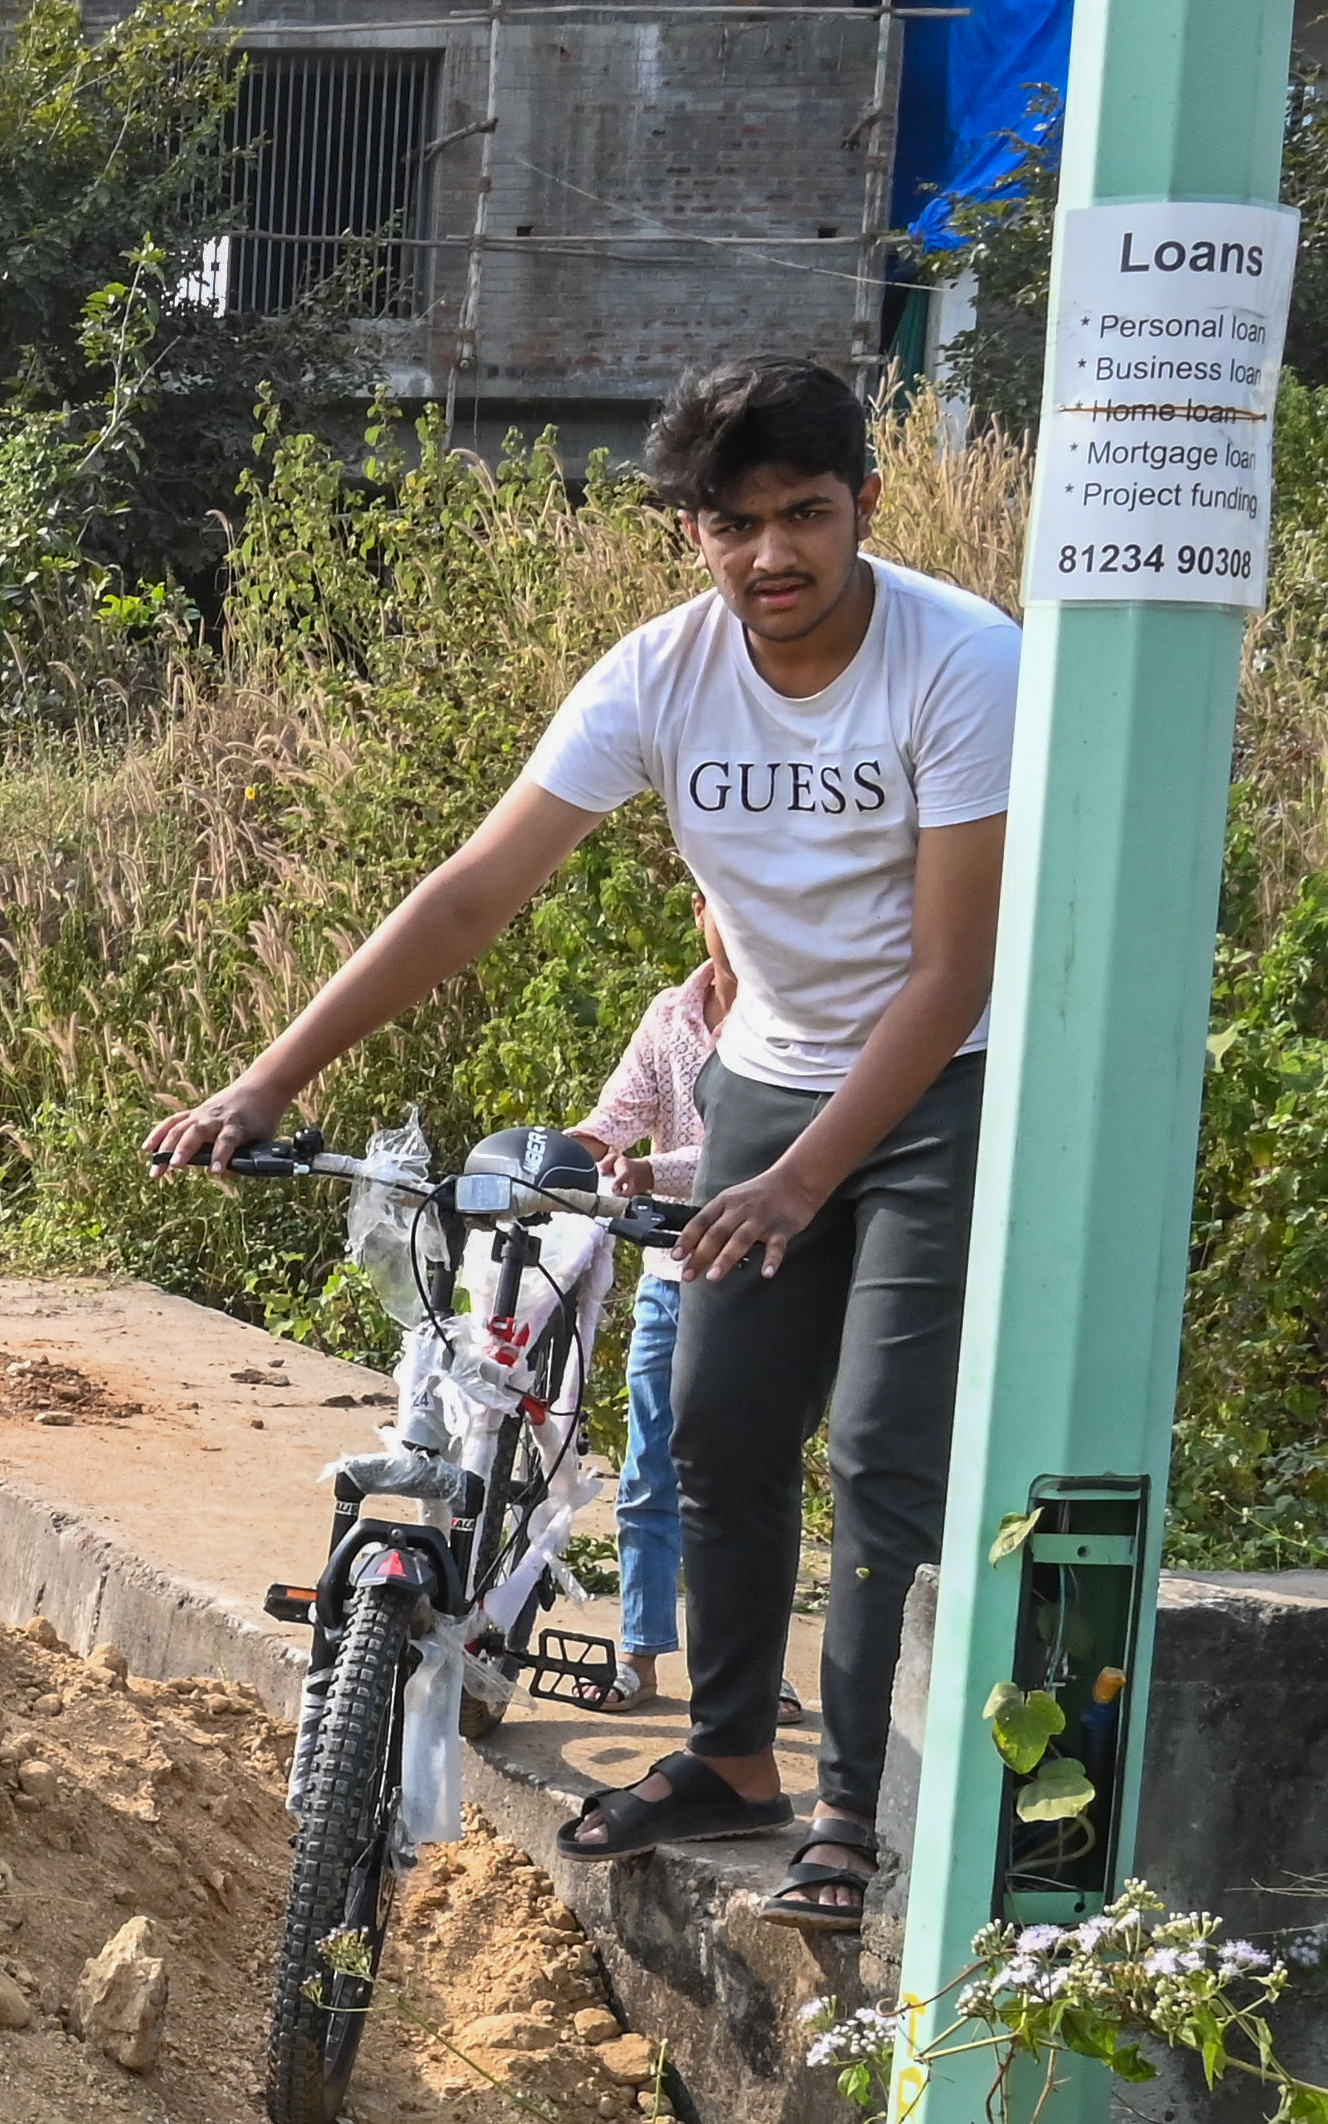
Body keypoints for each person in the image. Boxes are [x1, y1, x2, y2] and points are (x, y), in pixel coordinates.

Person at [149, 356, 1013, 1935]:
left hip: (935, 1090)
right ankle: (736, 1757)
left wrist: (805, 1174)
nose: (772, 558)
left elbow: (958, 970)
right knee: (716, 1429)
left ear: (865, 505)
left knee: (887, 1452)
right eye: (734, 525)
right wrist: (267, 1081)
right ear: (691, 530)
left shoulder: (960, 662)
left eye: (805, 516)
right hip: (760, 1081)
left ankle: (864, 1804)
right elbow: (470, 893)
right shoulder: (660, 674)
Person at [573, 913, 733, 1707]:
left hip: (750, 1277)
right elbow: (617, 1113)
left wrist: (647, 1171)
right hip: (668, 1275)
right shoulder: (671, 1013)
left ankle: (746, 1670)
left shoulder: (791, 1025)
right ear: (703, 913)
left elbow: (756, 1151)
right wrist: (571, 1148)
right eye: (718, 904)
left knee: (738, 1481)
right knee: (646, 1472)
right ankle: (638, 1654)